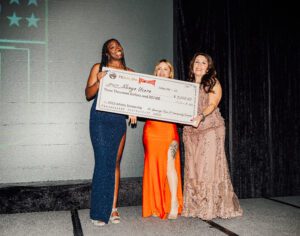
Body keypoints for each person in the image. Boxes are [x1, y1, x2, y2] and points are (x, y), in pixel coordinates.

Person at [182, 52, 243, 220]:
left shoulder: (213, 83)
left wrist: (200, 117)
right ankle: (194, 206)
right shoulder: (186, 86)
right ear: (192, 65)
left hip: (210, 129)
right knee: (193, 168)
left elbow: (212, 104)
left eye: (203, 63)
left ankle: (210, 207)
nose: (199, 65)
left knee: (208, 168)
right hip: (190, 131)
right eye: (197, 62)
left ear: (208, 67)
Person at [85, 38, 137, 226]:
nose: (117, 49)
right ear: (107, 52)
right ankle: (99, 212)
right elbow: (88, 94)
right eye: (112, 47)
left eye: (119, 45)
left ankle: (113, 208)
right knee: (102, 162)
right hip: (99, 119)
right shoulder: (98, 68)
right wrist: (98, 82)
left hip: (118, 121)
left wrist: (133, 110)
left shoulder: (130, 73)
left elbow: (135, 99)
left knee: (115, 162)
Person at [142, 59, 183, 220]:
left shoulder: (179, 91)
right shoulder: (148, 89)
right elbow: (137, 104)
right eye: (159, 69)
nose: (162, 71)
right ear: (155, 72)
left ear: (170, 73)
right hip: (151, 131)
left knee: (169, 165)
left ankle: (173, 202)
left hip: (168, 131)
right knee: (153, 166)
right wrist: (130, 110)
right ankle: (155, 204)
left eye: (165, 69)